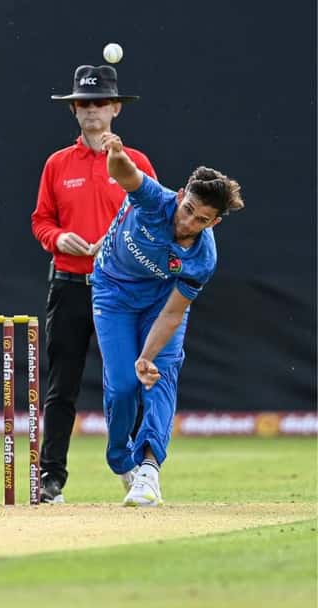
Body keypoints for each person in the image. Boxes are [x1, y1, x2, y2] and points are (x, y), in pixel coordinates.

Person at [93, 132, 243, 506]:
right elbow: (126, 173)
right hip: (112, 292)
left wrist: (148, 356)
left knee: (160, 376)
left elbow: (174, 313)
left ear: (215, 223)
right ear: (180, 195)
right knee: (124, 387)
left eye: (202, 219)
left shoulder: (202, 259)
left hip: (160, 304)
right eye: (188, 208)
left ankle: (148, 469)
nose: (189, 221)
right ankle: (121, 459)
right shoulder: (154, 200)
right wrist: (115, 152)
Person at [31, 64, 157, 503]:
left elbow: (155, 221)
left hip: (121, 289)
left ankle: (135, 469)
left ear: (116, 108)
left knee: (126, 381)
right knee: (61, 385)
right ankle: (51, 479)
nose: (91, 112)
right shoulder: (57, 164)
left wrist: (116, 240)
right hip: (68, 283)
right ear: (74, 112)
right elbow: (41, 220)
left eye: (100, 103)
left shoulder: (135, 162)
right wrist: (57, 237)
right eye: (83, 104)